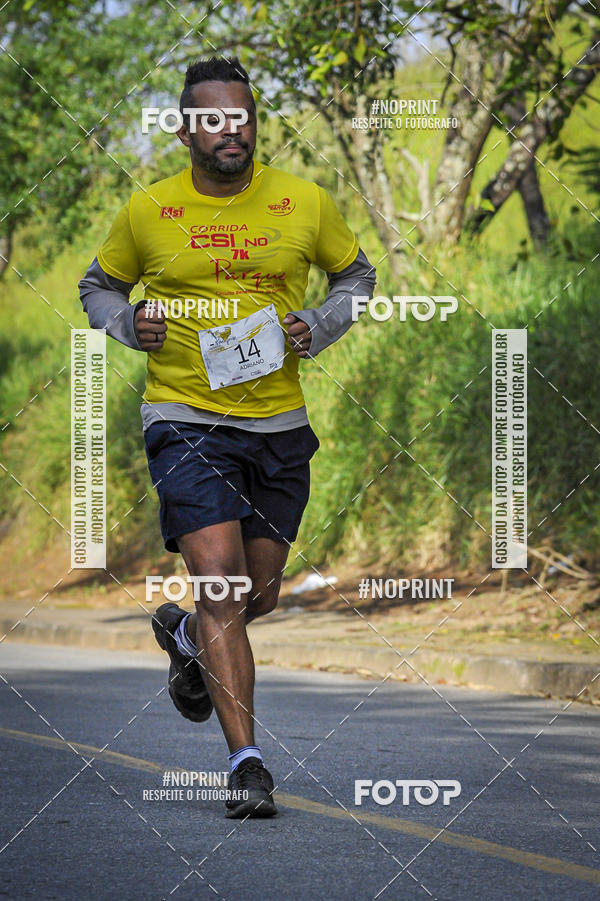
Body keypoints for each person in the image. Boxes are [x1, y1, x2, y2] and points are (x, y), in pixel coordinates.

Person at [79, 56, 376, 819]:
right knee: (221, 585)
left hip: (278, 424)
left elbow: (356, 277)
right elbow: (98, 286)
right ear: (185, 129)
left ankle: (183, 636)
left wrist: (321, 322)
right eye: (212, 118)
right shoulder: (149, 210)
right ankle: (247, 764)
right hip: (184, 417)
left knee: (256, 594)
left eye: (240, 116)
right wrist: (127, 322)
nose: (229, 129)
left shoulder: (303, 201)